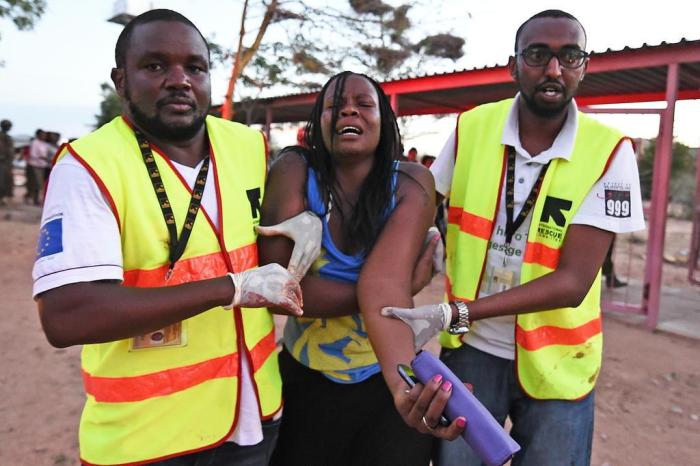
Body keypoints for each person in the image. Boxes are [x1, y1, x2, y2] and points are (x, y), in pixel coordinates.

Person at [33, 9, 319, 466]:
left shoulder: (245, 145)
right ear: (121, 80)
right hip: (147, 441)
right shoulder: (89, 166)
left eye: (195, 67)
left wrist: (304, 222)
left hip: (256, 418)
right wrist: (232, 288)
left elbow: (261, 248)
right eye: (155, 66)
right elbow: (67, 316)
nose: (180, 79)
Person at [383, 10, 645, 466]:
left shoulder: (610, 152)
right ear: (514, 63)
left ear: (584, 65)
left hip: (559, 362)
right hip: (472, 354)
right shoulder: (472, 128)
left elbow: (574, 282)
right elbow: (420, 207)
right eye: (538, 54)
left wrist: (457, 312)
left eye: (570, 56)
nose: (553, 70)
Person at [259, 71, 464, 466]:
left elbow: (383, 282)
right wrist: (405, 287)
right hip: (306, 379)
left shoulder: (411, 182)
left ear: (385, 121)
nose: (349, 109)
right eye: (335, 106)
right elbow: (275, 290)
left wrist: (402, 388)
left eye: (364, 104)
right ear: (318, 122)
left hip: (387, 375)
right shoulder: (294, 170)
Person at [27, 128, 51, 205]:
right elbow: (33, 155)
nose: (44, 136)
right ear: (38, 135)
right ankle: (34, 199)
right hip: (34, 165)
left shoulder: (44, 144)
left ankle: (35, 198)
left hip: (42, 166)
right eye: (42, 134)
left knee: (39, 183)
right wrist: (44, 158)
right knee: (36, 183)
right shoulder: (34, 143)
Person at [0, 119, 13, 206]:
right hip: (2, 161)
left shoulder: (8, 137)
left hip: (7, 162)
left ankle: (3, 197)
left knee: (6, 181)